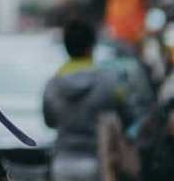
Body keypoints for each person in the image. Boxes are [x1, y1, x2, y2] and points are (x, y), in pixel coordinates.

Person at [43, 19, 131, 181]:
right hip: (98, 161)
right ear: (91, 47)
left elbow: (49, 121)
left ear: (67, 47)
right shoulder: (108, 82)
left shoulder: (53, 85)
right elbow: (126, 116)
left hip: (62, 163)